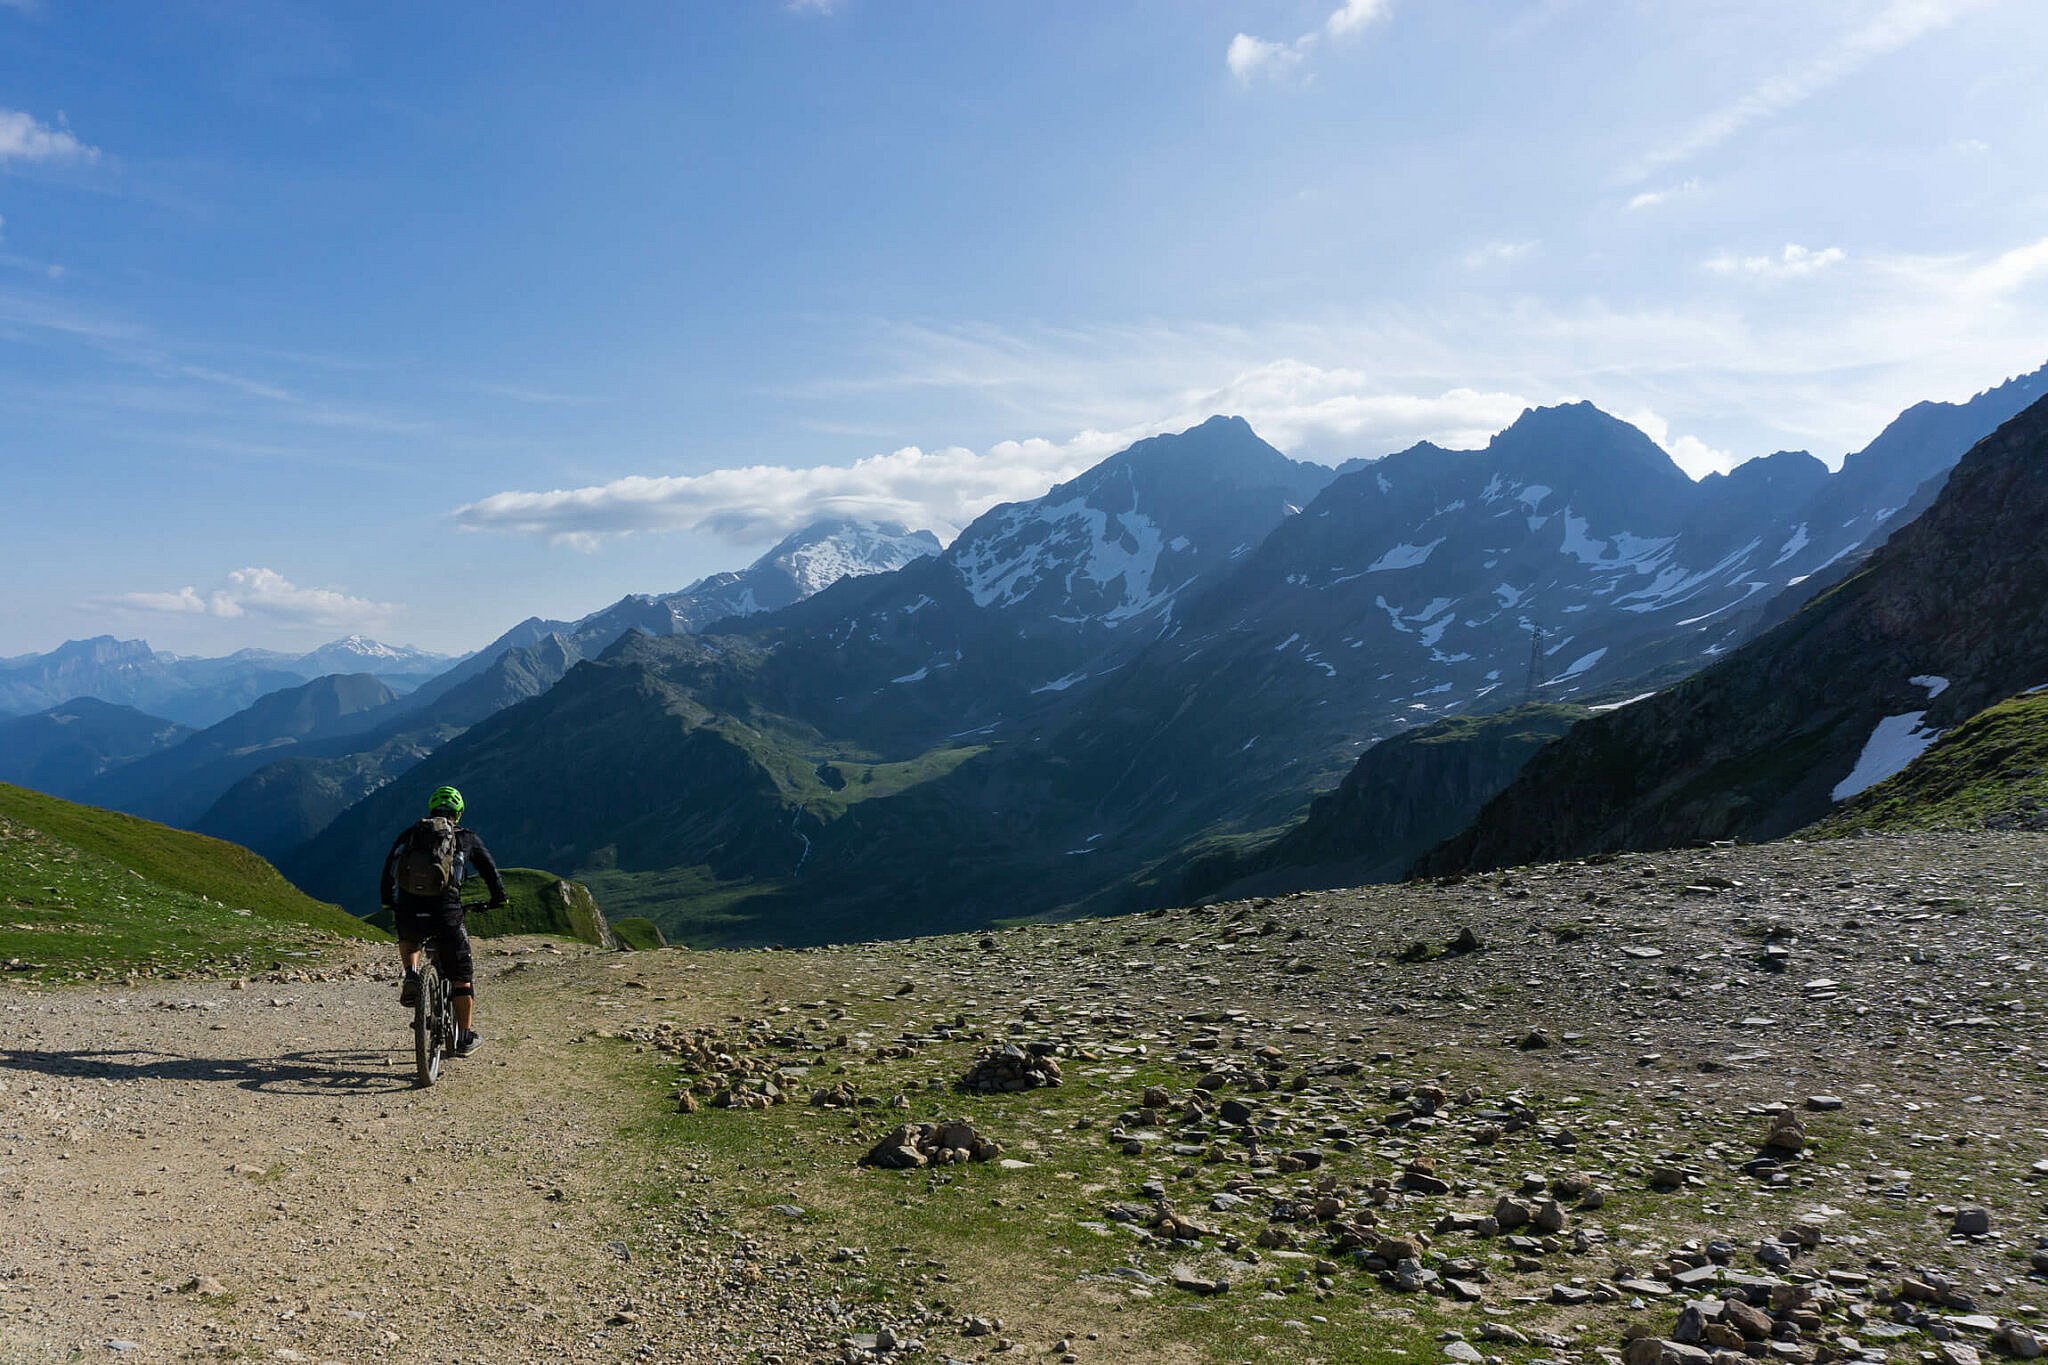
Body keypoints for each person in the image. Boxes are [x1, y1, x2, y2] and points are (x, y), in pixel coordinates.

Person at [380, 785, 507, 1058]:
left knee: (410, 936)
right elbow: (490, 871)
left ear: (431, 809)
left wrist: (389, 901)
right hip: (446, 913)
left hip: (409, 909)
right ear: (458, 813)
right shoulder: (466, 838)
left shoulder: (412, 834)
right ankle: (464, 1037)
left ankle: (412, 975)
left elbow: (389, 869)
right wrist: (499, 898)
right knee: (462, 977)